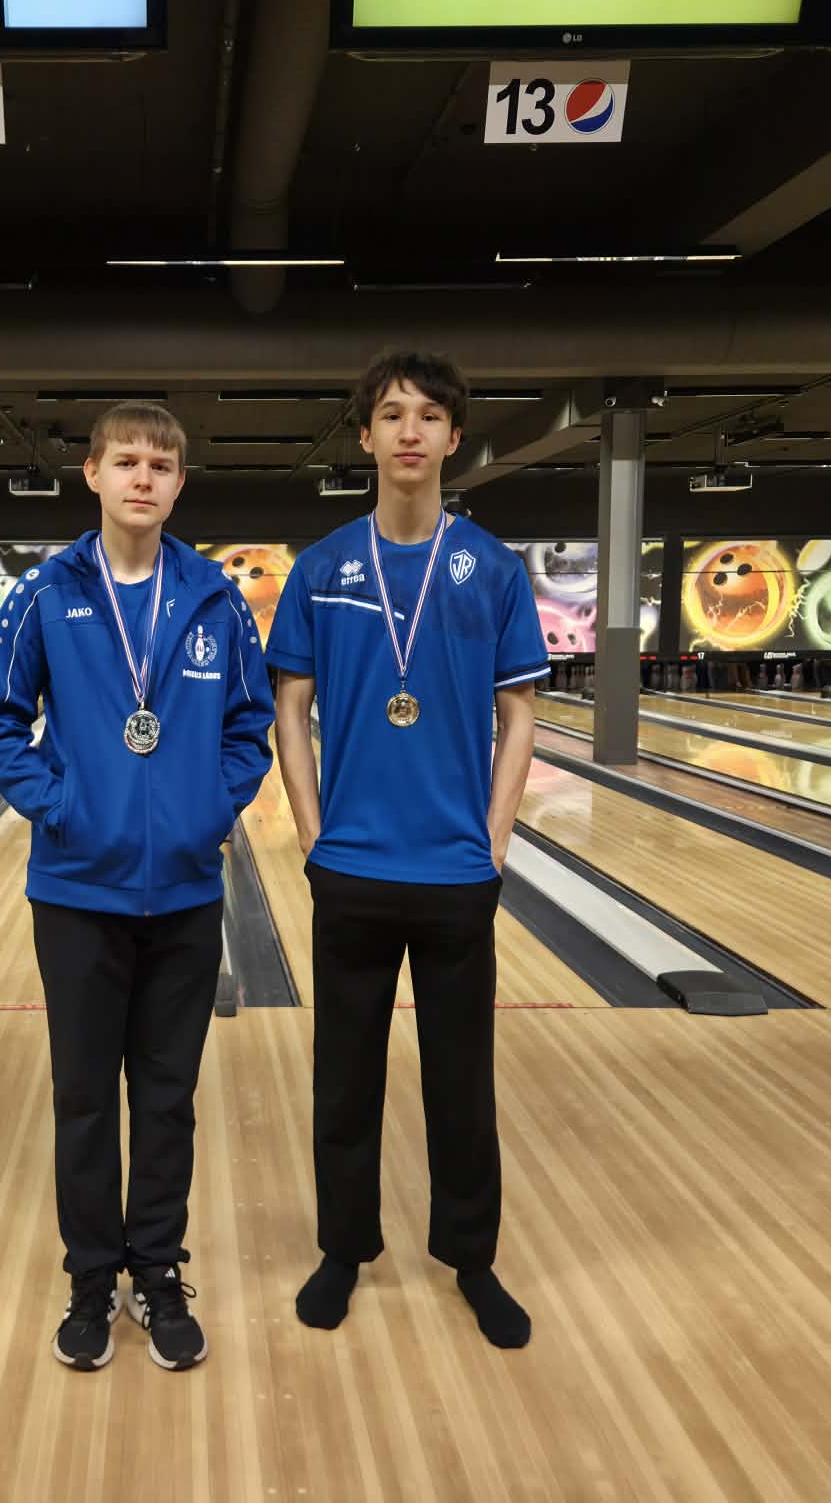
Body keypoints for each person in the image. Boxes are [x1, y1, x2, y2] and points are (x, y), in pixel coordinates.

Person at [0, 401, 273, 1372]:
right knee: (84, 1100)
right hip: (75, 891)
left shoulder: (216, 600)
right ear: (93, 475)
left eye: (161, 465)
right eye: (127, 462)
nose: (144, 478)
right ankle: (92, 1279)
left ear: (179, 484)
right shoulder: (43, 594)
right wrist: (59, 805)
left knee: (167, 1098)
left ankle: (157, 1270)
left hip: (183, 892)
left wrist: (204, 810)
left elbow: (248, 727)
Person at [265, 349, 550, 1350]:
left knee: (460, 1081)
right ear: (365, 436)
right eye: (391, 414)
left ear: (453, 437)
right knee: (343, 1079)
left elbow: (519, 714)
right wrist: (312, 836)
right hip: (350, 867)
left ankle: (471, 1259)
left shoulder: (492, 569)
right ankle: (343, 1250)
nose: (410, 431)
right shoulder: (320, 568)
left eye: (429, 415)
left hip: (455, 873)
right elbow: (289, 708)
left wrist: (494, 841)